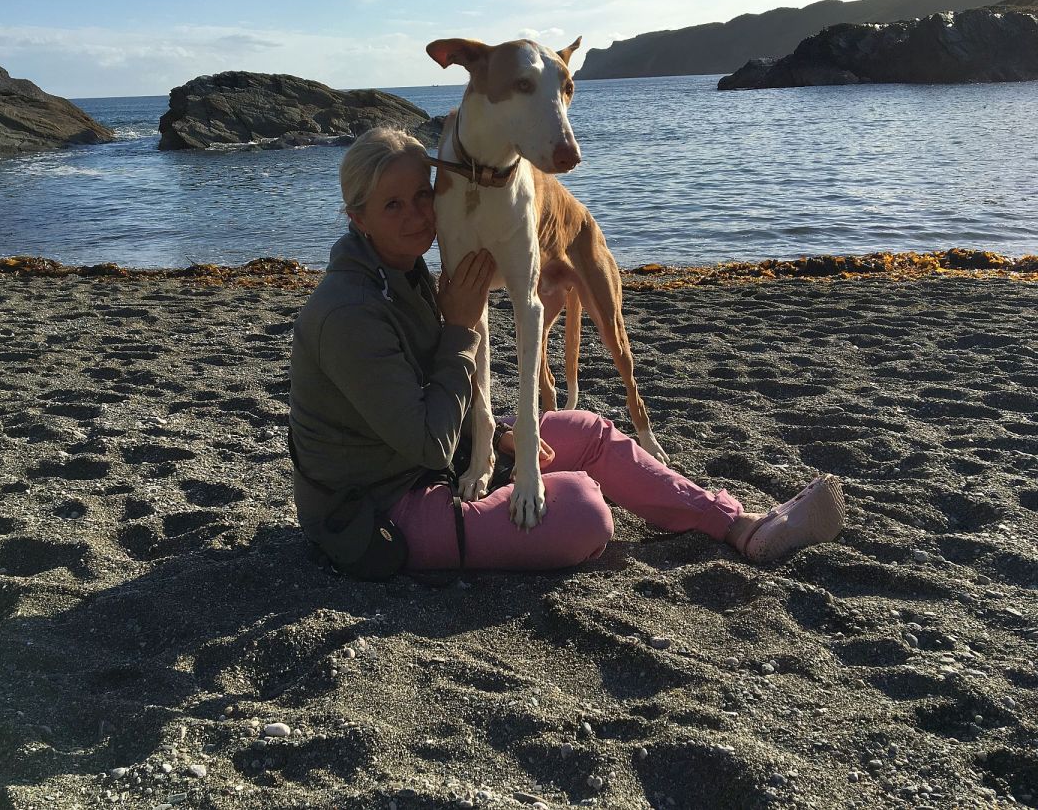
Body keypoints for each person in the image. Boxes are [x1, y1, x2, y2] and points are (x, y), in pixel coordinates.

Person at [288, 127, 844, 577]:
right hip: (379, 514)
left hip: (436, 462)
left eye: (422, 196)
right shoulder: (348, 313)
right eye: (392, 205)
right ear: (357, 217)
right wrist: (459, 329)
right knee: (581, 509)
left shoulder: (402, 273)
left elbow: (427, 402)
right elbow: (429, 444)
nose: (416, 215)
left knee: (589, 430)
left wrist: (496, 436)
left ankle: (740, 526)